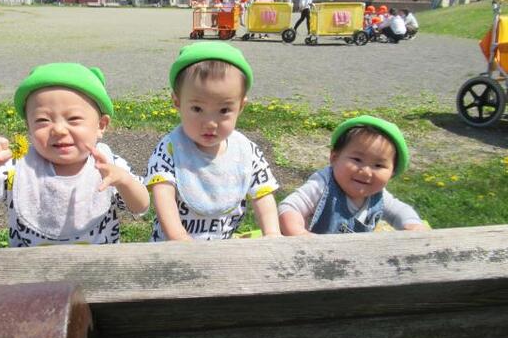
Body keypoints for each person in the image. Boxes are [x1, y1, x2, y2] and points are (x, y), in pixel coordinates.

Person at [0, 63, 150, 247]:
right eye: (43, 120)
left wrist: (124, 181)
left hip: (98, 264)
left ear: (100, 125)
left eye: (73, 119)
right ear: (29, 126)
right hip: (29, 264)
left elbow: (140, 206)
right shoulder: (20, 165)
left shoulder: (110, 165)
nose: (59, 129)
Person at [145, 42, 281, 241]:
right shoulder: (171, 149)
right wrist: (179, 237)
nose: (210, 123)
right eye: (197, 109)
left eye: (224, 110)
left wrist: (272, 233)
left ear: (241, 106)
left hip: (222, 248)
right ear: (177, 102)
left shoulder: (246, 152)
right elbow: (163, 195)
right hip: (174, 247)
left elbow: (263, 196)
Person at [279, 115, 428, 235]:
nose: (366, 171)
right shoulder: (323, 185)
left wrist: (412, 225)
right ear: (334, 158)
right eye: (357, 160)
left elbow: (400, 211)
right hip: (311, 255)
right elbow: (289, 207)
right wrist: (300, 234)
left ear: (392, 172)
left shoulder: (379, 196)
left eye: (378, 165)